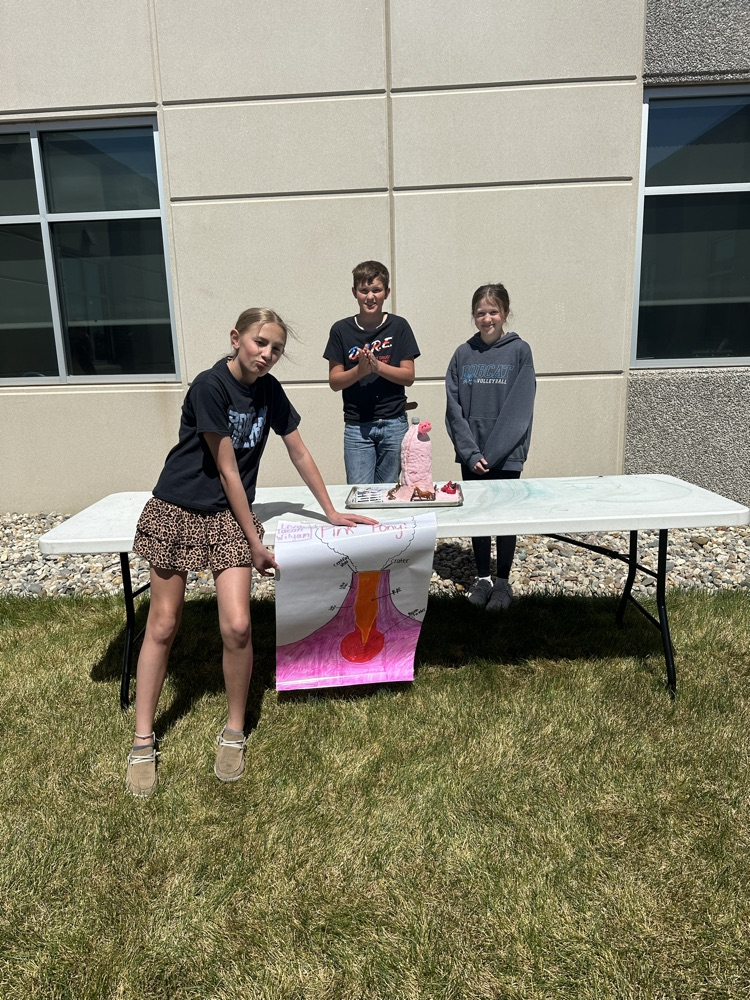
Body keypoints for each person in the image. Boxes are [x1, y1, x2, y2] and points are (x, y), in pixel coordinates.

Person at [126, 307, 376, 798]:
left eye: (276, 349)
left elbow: (298, 451)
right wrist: (256, 542)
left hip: (228, 515)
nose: (267, 355)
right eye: (261, 343)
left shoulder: (270, 391)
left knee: (238, 626)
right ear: (236, 338)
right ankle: (142, 739)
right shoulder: (210, 386)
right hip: (177, 508)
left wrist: (331, 511)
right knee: (163, 624)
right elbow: (227, 469)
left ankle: (234, 729)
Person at [445, 283, 536, 611]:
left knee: (505, 517)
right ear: (474, 316)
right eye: (481, 313)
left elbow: (520, 409)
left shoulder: (520, 352)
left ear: (505, 313)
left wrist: (493, 454)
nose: (487, 318)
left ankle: (502, 582)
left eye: (493, 312)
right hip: (472, 457)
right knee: (479, 516)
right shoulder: (462, 354)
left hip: (506, 456)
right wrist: (470, 453)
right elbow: (453, 408)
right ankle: (483, 577)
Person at [324, 260, 420, 485]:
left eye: (376, 290)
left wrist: (377, 367)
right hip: (357, 425)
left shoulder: (399, 326)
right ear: (354, 293)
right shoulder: (341, 330)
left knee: (388, 492)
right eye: (364, 290)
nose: (370, 297)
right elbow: (335, 381)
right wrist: (360, 371)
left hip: (394, 422)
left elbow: (408, 376)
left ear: (387, 292)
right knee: (359, 492)